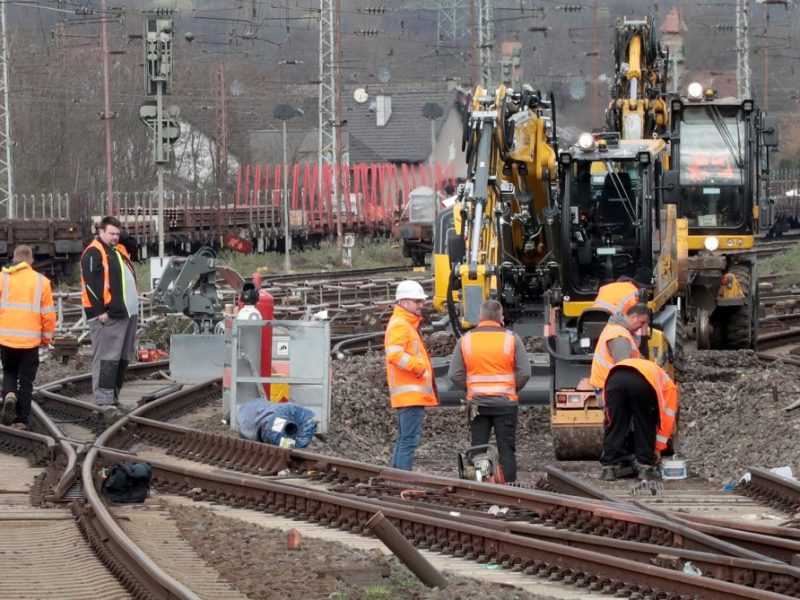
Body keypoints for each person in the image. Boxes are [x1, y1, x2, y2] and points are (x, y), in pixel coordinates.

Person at [448, 299, 530, 483]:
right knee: (506, 450)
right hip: (505, 404)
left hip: (477, 405)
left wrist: (470, 389)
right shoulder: (512, 339)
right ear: (501, 318)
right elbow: (525, 372)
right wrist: (512, 388)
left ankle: (483, 486)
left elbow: (454, 374)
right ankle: (509, 488)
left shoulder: (466, 339)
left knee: (478, 448)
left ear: (480, 317)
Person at [80, 216, 139, 408]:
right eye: (111, 233)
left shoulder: (117, 249)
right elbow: (91, 285)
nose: (115, 237)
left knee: (121, 359)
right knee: (107, 359)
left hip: (126, 313)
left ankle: (113, 398)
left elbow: (134, 245)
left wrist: (118, 233)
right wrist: (100, 312)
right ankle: (104, 402)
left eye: (117, 234)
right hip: (108, 316)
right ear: (101, 232)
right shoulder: (94, 252)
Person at [384, 279, 438, 471]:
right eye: (417, 301)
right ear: (404, 301)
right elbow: (394, 355)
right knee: (408, 441)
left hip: (408, 395)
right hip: (410, 395)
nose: (421, 305)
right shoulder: (401, 325)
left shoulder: (404, 323)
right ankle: (403, 481)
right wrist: (419, 367)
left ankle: (397, 478)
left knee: (404, 440)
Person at [0, 245, 55, 430]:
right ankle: (22, 420)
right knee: (26, 381)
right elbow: (48, 315)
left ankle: (9, 395)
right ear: (30, 260)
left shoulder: (2, 278)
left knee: (9, 372)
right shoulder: (41, 282)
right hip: (30, 341)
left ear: (14, 259)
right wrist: (46, 339)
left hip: (6, 338)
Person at [600, 358, 678, 481]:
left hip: (614, 379)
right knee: (645, 422)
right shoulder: (670, 386)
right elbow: (666, 420)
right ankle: (645, 468)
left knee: (614, 423)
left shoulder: (652, 370)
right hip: (642, 381)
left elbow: (611, 416)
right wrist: (658, 448)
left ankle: (609, 468)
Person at [589, 303, 650, 408]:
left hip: (609, 387)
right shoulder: (620, 337)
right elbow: (624, 372)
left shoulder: (617, 329)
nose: (642, 326)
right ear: (634, 317)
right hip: (612, 391)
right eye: (642, 322)